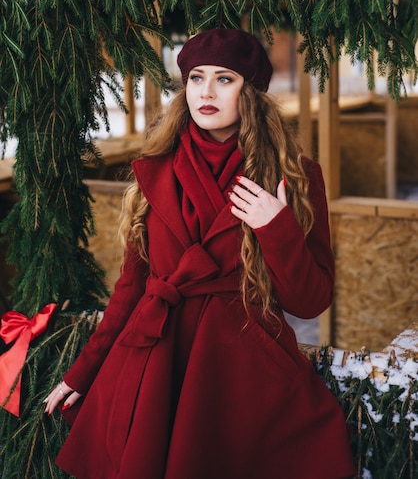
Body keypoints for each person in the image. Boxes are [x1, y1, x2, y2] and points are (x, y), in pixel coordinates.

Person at [45, 28, 355, 479]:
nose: (206, 91)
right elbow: (131, 291)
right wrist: (82, 373)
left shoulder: (296, 175)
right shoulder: (156, 167)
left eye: (224, 79)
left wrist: (276, 227)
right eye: (195, 77)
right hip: (160, 362)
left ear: (250, 92)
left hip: (243, 371)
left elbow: (309, 301)